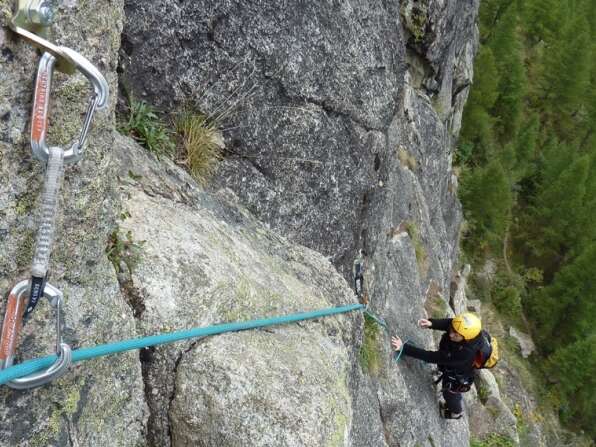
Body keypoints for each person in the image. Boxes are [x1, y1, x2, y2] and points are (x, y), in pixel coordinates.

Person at [391, 313, 483, 420]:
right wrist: (432, 323)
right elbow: (450, 323)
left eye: (456, 335)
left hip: (457, 376)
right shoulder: (463, 329)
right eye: (452, 330)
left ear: (466, 339)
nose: (451, 334)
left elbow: (431, 356)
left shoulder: (464, 353)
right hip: (450, 360)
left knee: (449, 393)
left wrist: (404, 348)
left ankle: (456, 412)